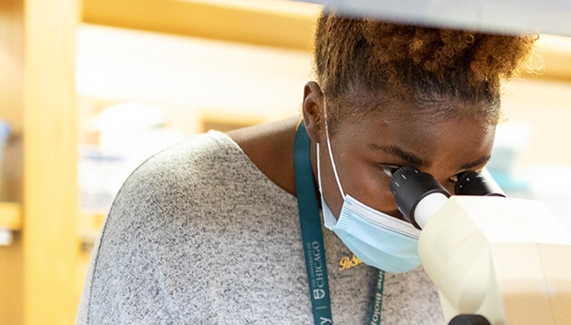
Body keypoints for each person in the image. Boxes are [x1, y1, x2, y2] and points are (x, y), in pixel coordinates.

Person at [77, 13, 535, 324]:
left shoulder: (474, 232)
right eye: (399, 173)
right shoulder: (175, 209)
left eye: (463, 177)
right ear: (316, 113)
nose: (429, 213)